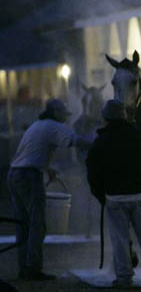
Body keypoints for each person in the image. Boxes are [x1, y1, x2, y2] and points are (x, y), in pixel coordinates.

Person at [8, 99, 91, 280]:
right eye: (64, 114)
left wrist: (46, 167)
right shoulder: (54, 126)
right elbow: (76, 141)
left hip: (15, 174)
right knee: (37, 223)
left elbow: (31, 152)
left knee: (23, 223)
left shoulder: (38, 125)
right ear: (55, 112)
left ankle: (24, 267)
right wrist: (101, 143)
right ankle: (33, 268)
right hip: (30, 177)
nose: (65, 118)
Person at [86, 99, 141, 288]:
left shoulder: (101, 141)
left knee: (120, 240)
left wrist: (100, 196)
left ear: (106, 118)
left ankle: (124, 278)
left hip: (115, 197)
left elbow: (92, 172)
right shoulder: (139, 135)